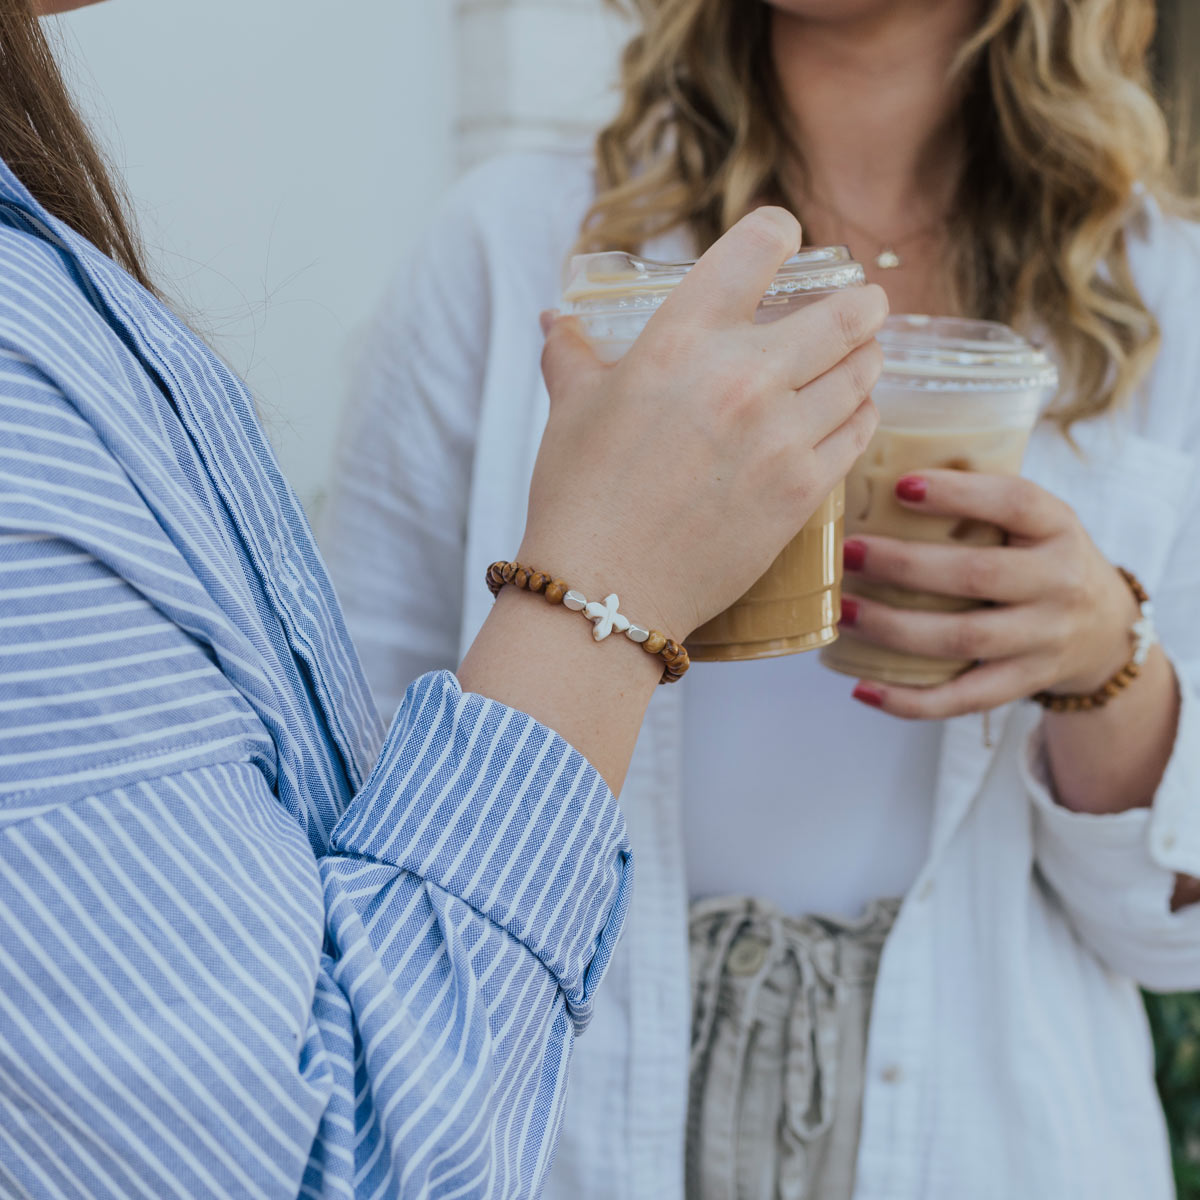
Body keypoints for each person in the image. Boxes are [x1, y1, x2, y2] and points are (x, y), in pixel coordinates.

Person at [0, 1, 888, 1196]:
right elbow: (325, 1149)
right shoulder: (503, 239)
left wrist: (1112, 665)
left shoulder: (46, 271)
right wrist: (605, 584)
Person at [322, 0, 1200, 1197]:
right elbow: (360, 783)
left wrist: (1105, 654)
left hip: (990, 1134)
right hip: (570, 1118)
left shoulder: (1160, 296)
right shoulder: (515, 248)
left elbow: (1170, 934)